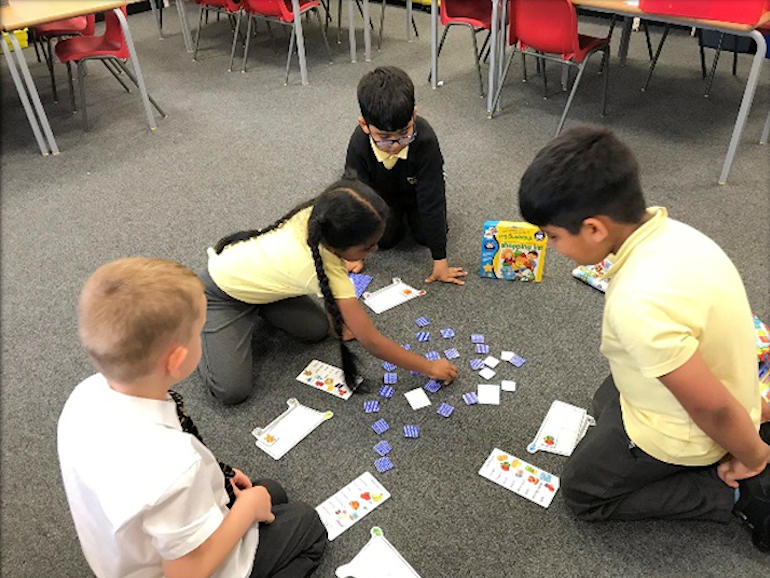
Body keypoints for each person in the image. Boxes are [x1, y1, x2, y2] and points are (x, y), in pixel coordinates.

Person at [518, 126, 770, 551]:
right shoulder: (677, 233)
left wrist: (754, 456)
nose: (550, 246)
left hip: (690, 429)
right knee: (605, 399)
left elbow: (711, 407)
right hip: (724, 392)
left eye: (553, 236)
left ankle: (731, 494)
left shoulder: (639, 302)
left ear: (595, 229)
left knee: (582, 491)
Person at [58, 257, 328, 578]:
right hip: (184, 567)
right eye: (201, 330)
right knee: (307, 524)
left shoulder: (85, 395)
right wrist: (244, 511)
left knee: (270, 491)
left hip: (133, 547)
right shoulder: (173, 467)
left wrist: (219, 476)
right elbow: (187, 573)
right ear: (177, 360)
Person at [199, 176, 458, 405]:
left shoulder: (323, 215)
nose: (375, 251)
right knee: (231, 391)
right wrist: (428, 366)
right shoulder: (319, 266)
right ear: (337, 247)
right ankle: (200, 321)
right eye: (367, 247)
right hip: (221, 293)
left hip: (267, 288)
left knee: (317, 330)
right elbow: (372, 341)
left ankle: (259, 304)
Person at [344, 65, 467, 286]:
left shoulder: (425, 139)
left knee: (426, 237)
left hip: (415, 193)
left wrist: (440, 260)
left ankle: (410, 220)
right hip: (379, 198)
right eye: (384, 137)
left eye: (404, 134)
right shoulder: (359, 144)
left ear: (414, 115)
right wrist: (353, 253)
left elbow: (433, 198)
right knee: (386, 240)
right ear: (364, 125)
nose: (395, 145)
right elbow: (354, 199)